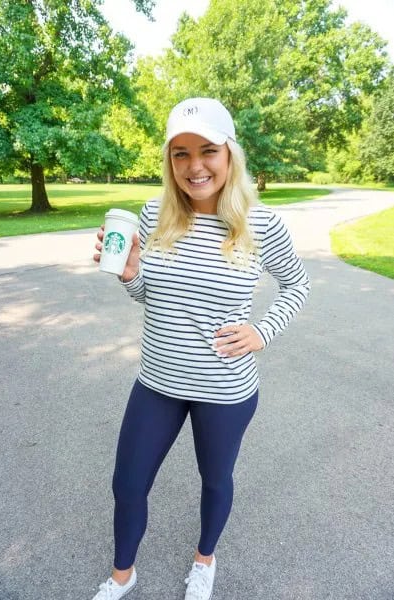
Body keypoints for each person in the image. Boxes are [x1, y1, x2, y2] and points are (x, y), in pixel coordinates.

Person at [92, 97, 310, 600]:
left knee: (215, 482)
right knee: (127, 485)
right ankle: (124, 575)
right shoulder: (154, 215)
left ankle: (204, 560)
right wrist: (130, 275)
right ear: (169, 162)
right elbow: (149, 292)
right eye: (180, 153)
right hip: (158, 382)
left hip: (225, 389)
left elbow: (297, 284)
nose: (194, 166)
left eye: (207, 150)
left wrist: (262, 330)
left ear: (229, 154)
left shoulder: (260, 224)